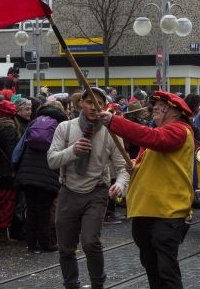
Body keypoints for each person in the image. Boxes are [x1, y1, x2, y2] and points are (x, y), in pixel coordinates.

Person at [98, 90, 194, 289]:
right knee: (152, 267)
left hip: (167, 212)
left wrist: (114, 122)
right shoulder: (160, 133)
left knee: (166, 270)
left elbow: (153, 139)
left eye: (163, 107)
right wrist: (135, 166)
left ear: (177, 113)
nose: (156, 109)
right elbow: (156, 162)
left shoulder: (179, 130)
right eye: (156, 106)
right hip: (147, 210)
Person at [48, 87, 129, 289]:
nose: (94, 107)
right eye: (90, 102)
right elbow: (51, 160)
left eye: (100, 103)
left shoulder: (111, 133)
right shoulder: (65, 128)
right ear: (81, 104)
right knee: (66, 248)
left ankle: (97, 284)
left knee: (90, 242)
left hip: (97, 192)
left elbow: (124, 167)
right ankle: (71, 284)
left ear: (105, 106)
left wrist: (119, 185)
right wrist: (72, 151)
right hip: (68, 191)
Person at [14, 101, 68, 253]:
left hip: (27, 171)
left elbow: (20, 148)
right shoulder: (61, 125)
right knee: (45, 210)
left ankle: (31, 244)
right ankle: (45, 243)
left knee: (31, 209)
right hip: (48, 172)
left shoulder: (33, 123)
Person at [0, 100, 20, 245]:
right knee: (7, 203)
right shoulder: (8, 128)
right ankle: (1, 234)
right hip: (8, 172)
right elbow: (12, 153)